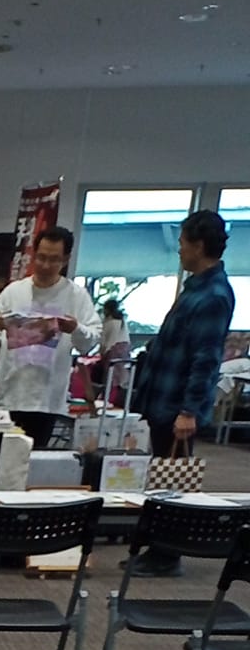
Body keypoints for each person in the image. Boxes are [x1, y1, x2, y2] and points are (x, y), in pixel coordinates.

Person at [130, 210, 237, 576]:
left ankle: (167, 552)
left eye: (182, 243)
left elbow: (205, 359)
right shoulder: (197, 287)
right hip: (165, 397)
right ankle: (156, 545)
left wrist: (189, 410)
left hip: (177, 403)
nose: (179, 249)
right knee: (163, 471)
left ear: (199, 246)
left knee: (174, 478)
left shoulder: (213, 296)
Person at [0, 227, 99, 449]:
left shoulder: (76, 295)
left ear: (66, 259)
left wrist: (75, 328)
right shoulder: (13, 291)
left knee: (36, 459)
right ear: (34, 254)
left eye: (54, 260)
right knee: (2, 458)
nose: (45, 265)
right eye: (41, 257)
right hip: (10, 396)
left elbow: (89, 344)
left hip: (47, 400)